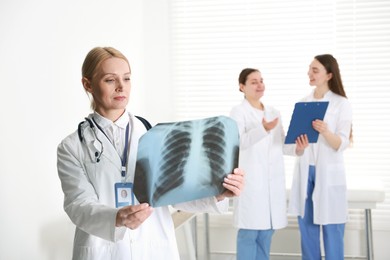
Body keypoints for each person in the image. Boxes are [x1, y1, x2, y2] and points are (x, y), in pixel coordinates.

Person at [57, 46, 245, 260]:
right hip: (103, 250)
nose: (121, 87)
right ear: (87, 84)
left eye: (126, 79)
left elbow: (178, 196)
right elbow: (78, 205)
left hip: (153, 247)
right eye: (110, 80)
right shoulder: (72, 146)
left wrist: (220, 192)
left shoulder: (155, 135)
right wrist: (116, 218)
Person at [288, 54, 353, 260]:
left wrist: (325, 131)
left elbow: (341, 143)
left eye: (315, 70)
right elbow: (293, 145)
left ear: (329, 75)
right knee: (307, 227)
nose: (310, 73)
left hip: (328, 172)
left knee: (332, 227)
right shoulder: (303, 103)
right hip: (306, 169)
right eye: (310, 69)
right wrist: (299, 146)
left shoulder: (341, 104)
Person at [230, 68, 287, 260]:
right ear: (242, 86)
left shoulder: (273, 112)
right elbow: (239, 142)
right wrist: (262, 128)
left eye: (261, 80)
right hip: (252, 185)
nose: (260, 84)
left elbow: (283, 146)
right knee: (249, 234)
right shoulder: (238, 112)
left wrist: (300, 146)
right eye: (254, 81)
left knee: (266, 234)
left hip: (272, 187)